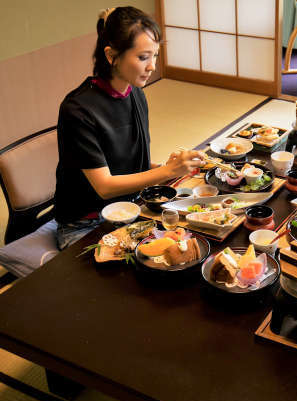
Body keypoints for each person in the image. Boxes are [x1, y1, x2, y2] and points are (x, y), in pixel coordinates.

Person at [55, 6, 202, 250]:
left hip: (132, 210)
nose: (152, 66)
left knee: (189, 244)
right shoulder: (77, 109)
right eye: (143, 57)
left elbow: (136, 168)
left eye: (155, 55)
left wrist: (174, 168)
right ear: (111, 56)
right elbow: (105, 187)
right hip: (85, 225)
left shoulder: (136, 94)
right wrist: (166, 171)